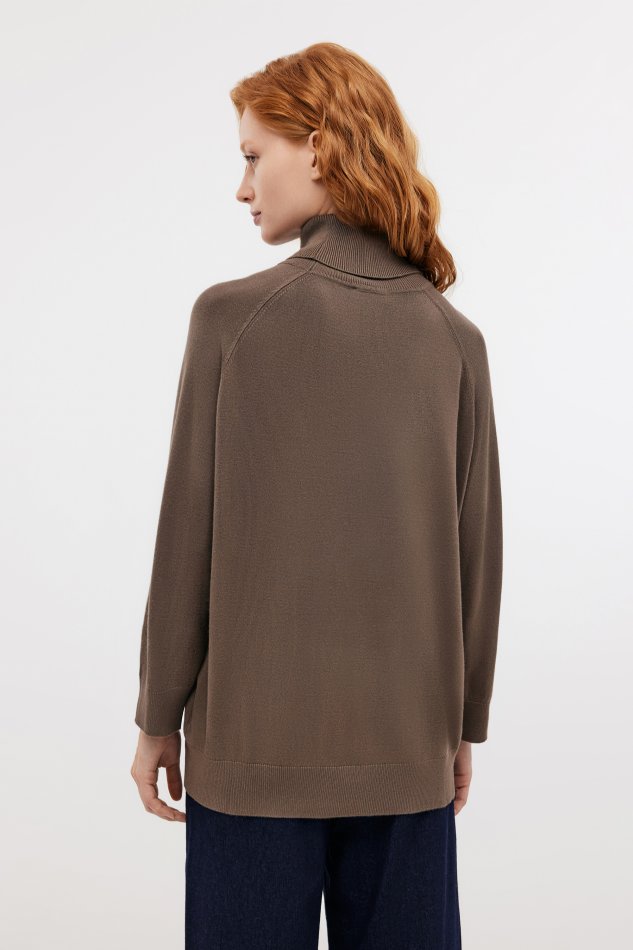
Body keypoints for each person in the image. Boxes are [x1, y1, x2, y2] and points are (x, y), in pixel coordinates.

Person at [130, 41, 503, 950]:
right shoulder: (453, 338)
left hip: (251, 761)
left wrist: (157, 715)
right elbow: (477, 557)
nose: (242, 187)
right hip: (407, 756)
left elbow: (186, 540)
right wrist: (462, 725)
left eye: (253, 155)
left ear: (321, 146)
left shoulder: (232, 318)